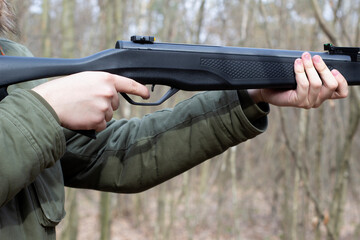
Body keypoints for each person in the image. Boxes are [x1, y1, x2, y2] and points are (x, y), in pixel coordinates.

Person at [0, 0, 348, 239]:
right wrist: (46, 107)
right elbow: (37, 120)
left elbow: (115, 155)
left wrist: (248, 94)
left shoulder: (11, 58)